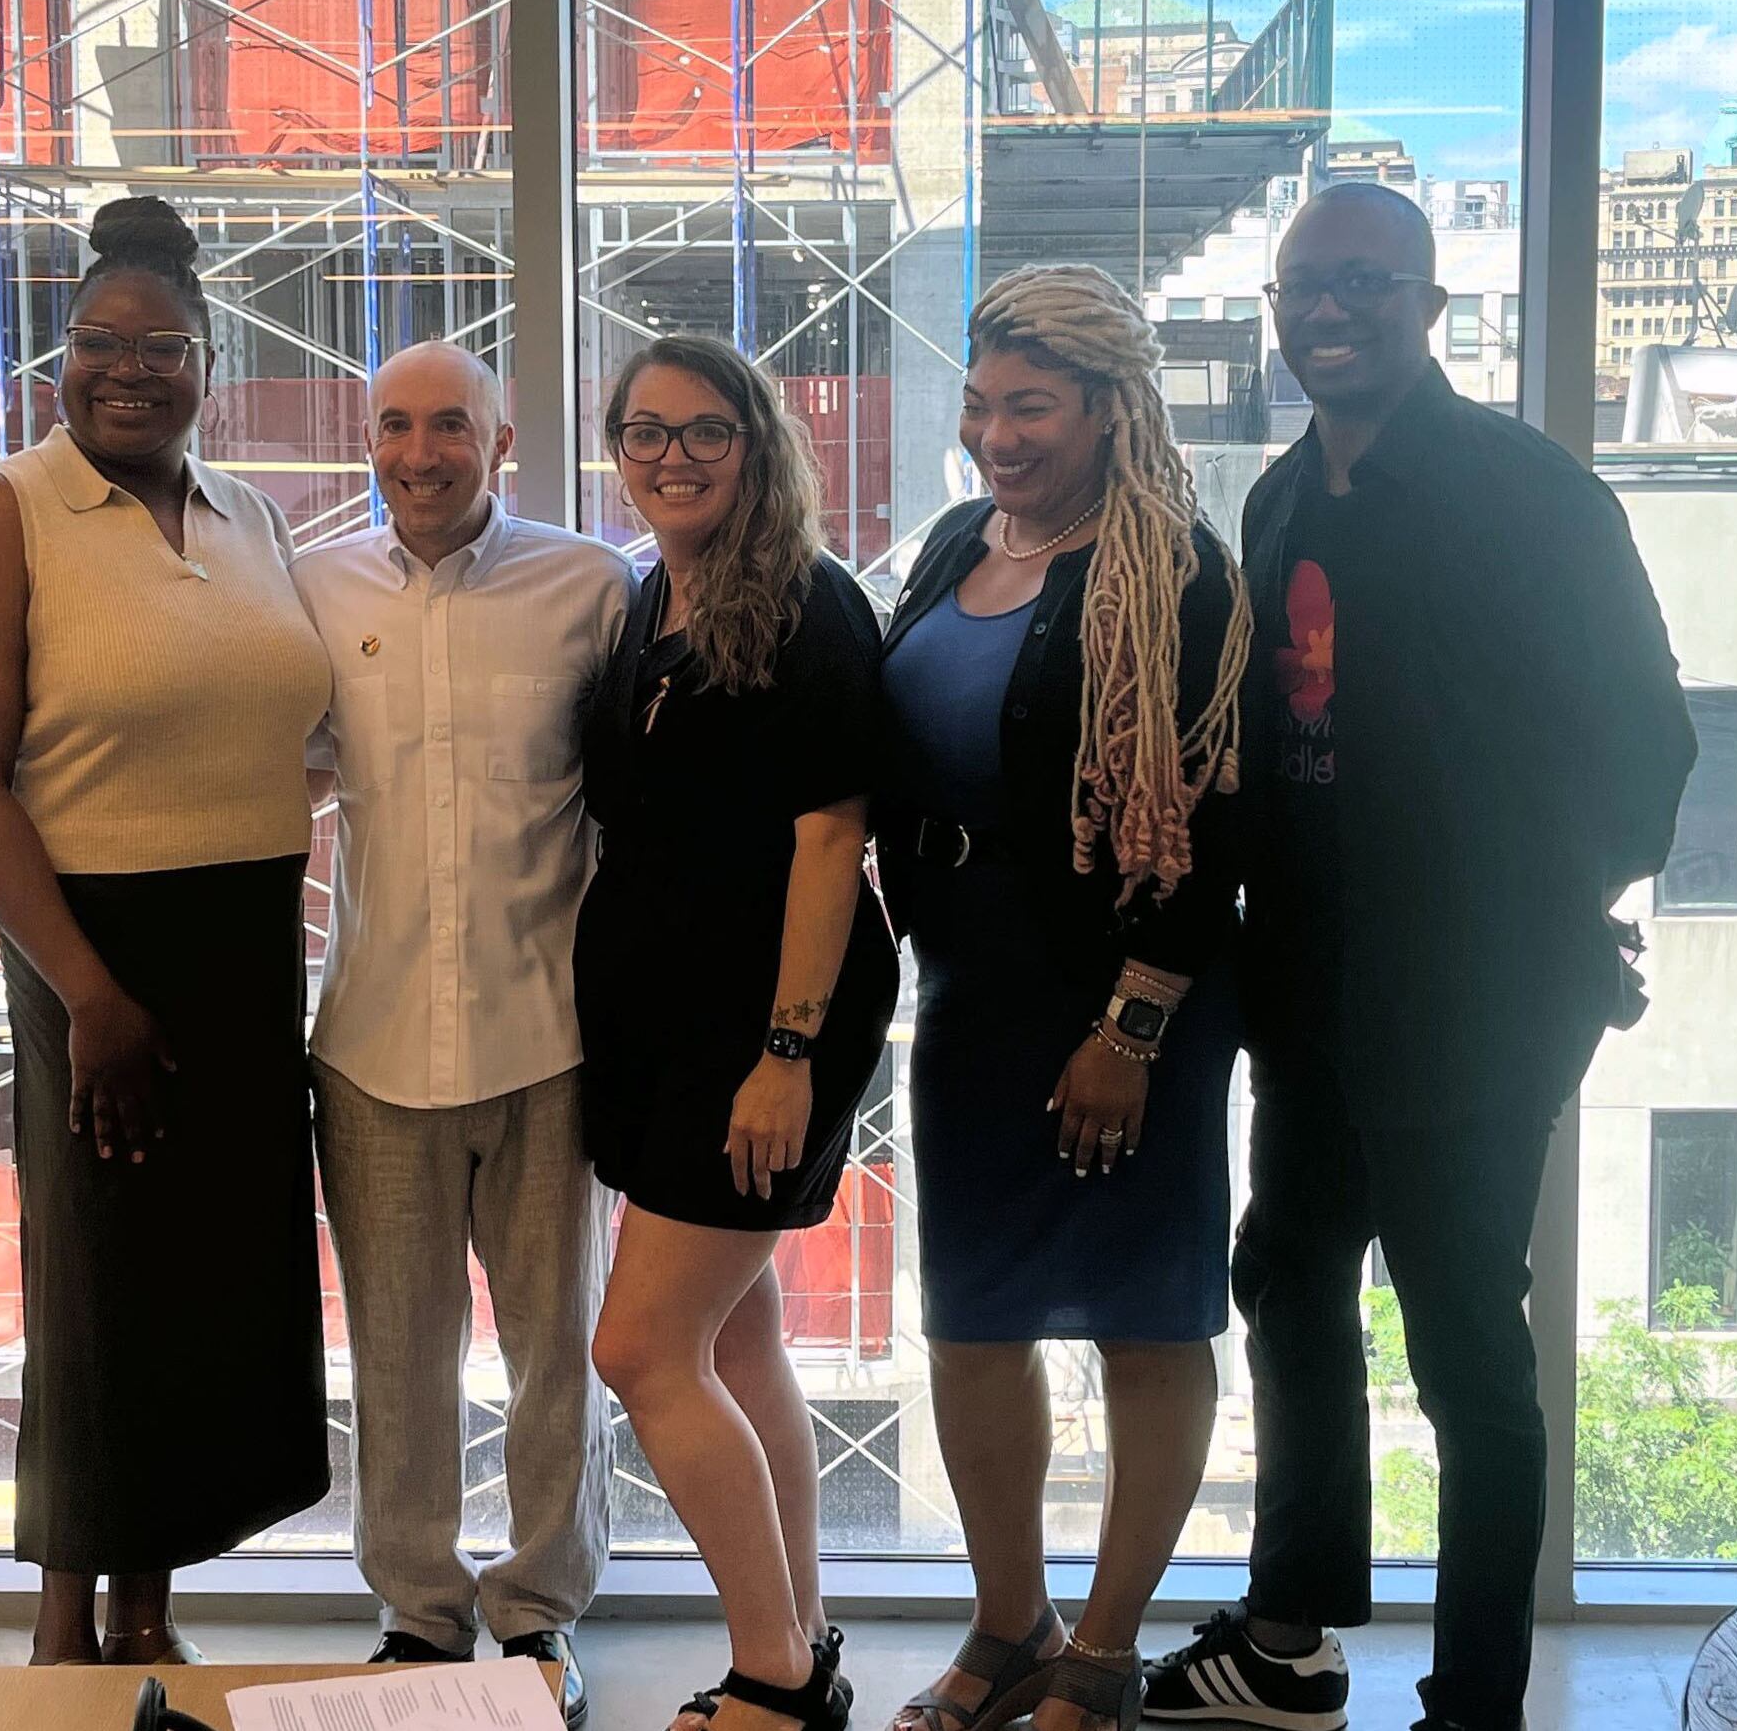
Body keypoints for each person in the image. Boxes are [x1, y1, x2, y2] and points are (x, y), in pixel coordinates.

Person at [1143, 185, 1695, 1731]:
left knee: (1463, 1346)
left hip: (1470, 1004)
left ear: (1430, 306)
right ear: (1274, 312)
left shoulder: (1531, 494)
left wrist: (1542, 922)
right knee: (1289, 1272)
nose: (1330, 310)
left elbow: (1647, 743)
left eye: (1366, 282)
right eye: (1303, 287)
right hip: (1311, 990)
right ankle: (1293, 1642)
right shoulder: (1277, 504)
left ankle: (1476, 1704)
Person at [0, 197, 333, 1666]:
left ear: (209, 364)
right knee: (96, 1277)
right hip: (90, 946)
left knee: (213, 1280)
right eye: (100, 342)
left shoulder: (252, 515)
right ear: (59, 359)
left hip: (244, 940)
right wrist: (87, 991)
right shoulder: (6, 509)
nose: (129, 370)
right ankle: (58, 1622)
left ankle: (151, 1611)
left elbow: (290, 725)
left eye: (162, 347)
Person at [874, 264, 1252, 1731]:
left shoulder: (1174, 573)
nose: (994, 434)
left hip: (1122, 1006)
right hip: (971, 991)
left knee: (1146, 1321)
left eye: (1029, 405)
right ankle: (1006, 1621)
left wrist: (1132, 1025)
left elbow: (1209, 835)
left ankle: (1100, 1646)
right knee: (972, 1320)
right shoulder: (963, 540)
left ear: (1107, 408)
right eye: (979, 403)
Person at [292, 341, 634, 1729]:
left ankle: (542, 1609)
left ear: (501, 445)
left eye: (449, 426)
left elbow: (640, 805)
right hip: (372, 1036)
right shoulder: (314, 589)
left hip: (548, 1030)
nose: (418, 452)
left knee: (559, 1343)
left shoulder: (591, 587)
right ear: (366, 442)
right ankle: (418, 1614)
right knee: (396, 1344)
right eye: (393, 426)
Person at [577, 336, 898, 1731]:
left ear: (755, 444)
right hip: (660, 1016)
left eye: (704, 431)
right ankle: (804, 1636)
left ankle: (770, 1674)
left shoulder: (808, 604)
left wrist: (786, 1052)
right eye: (645, 432)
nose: (672, 456)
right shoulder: (653, 596)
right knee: (738, 1335)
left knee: (641, 1352)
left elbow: (832, 835)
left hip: (757, 1024)